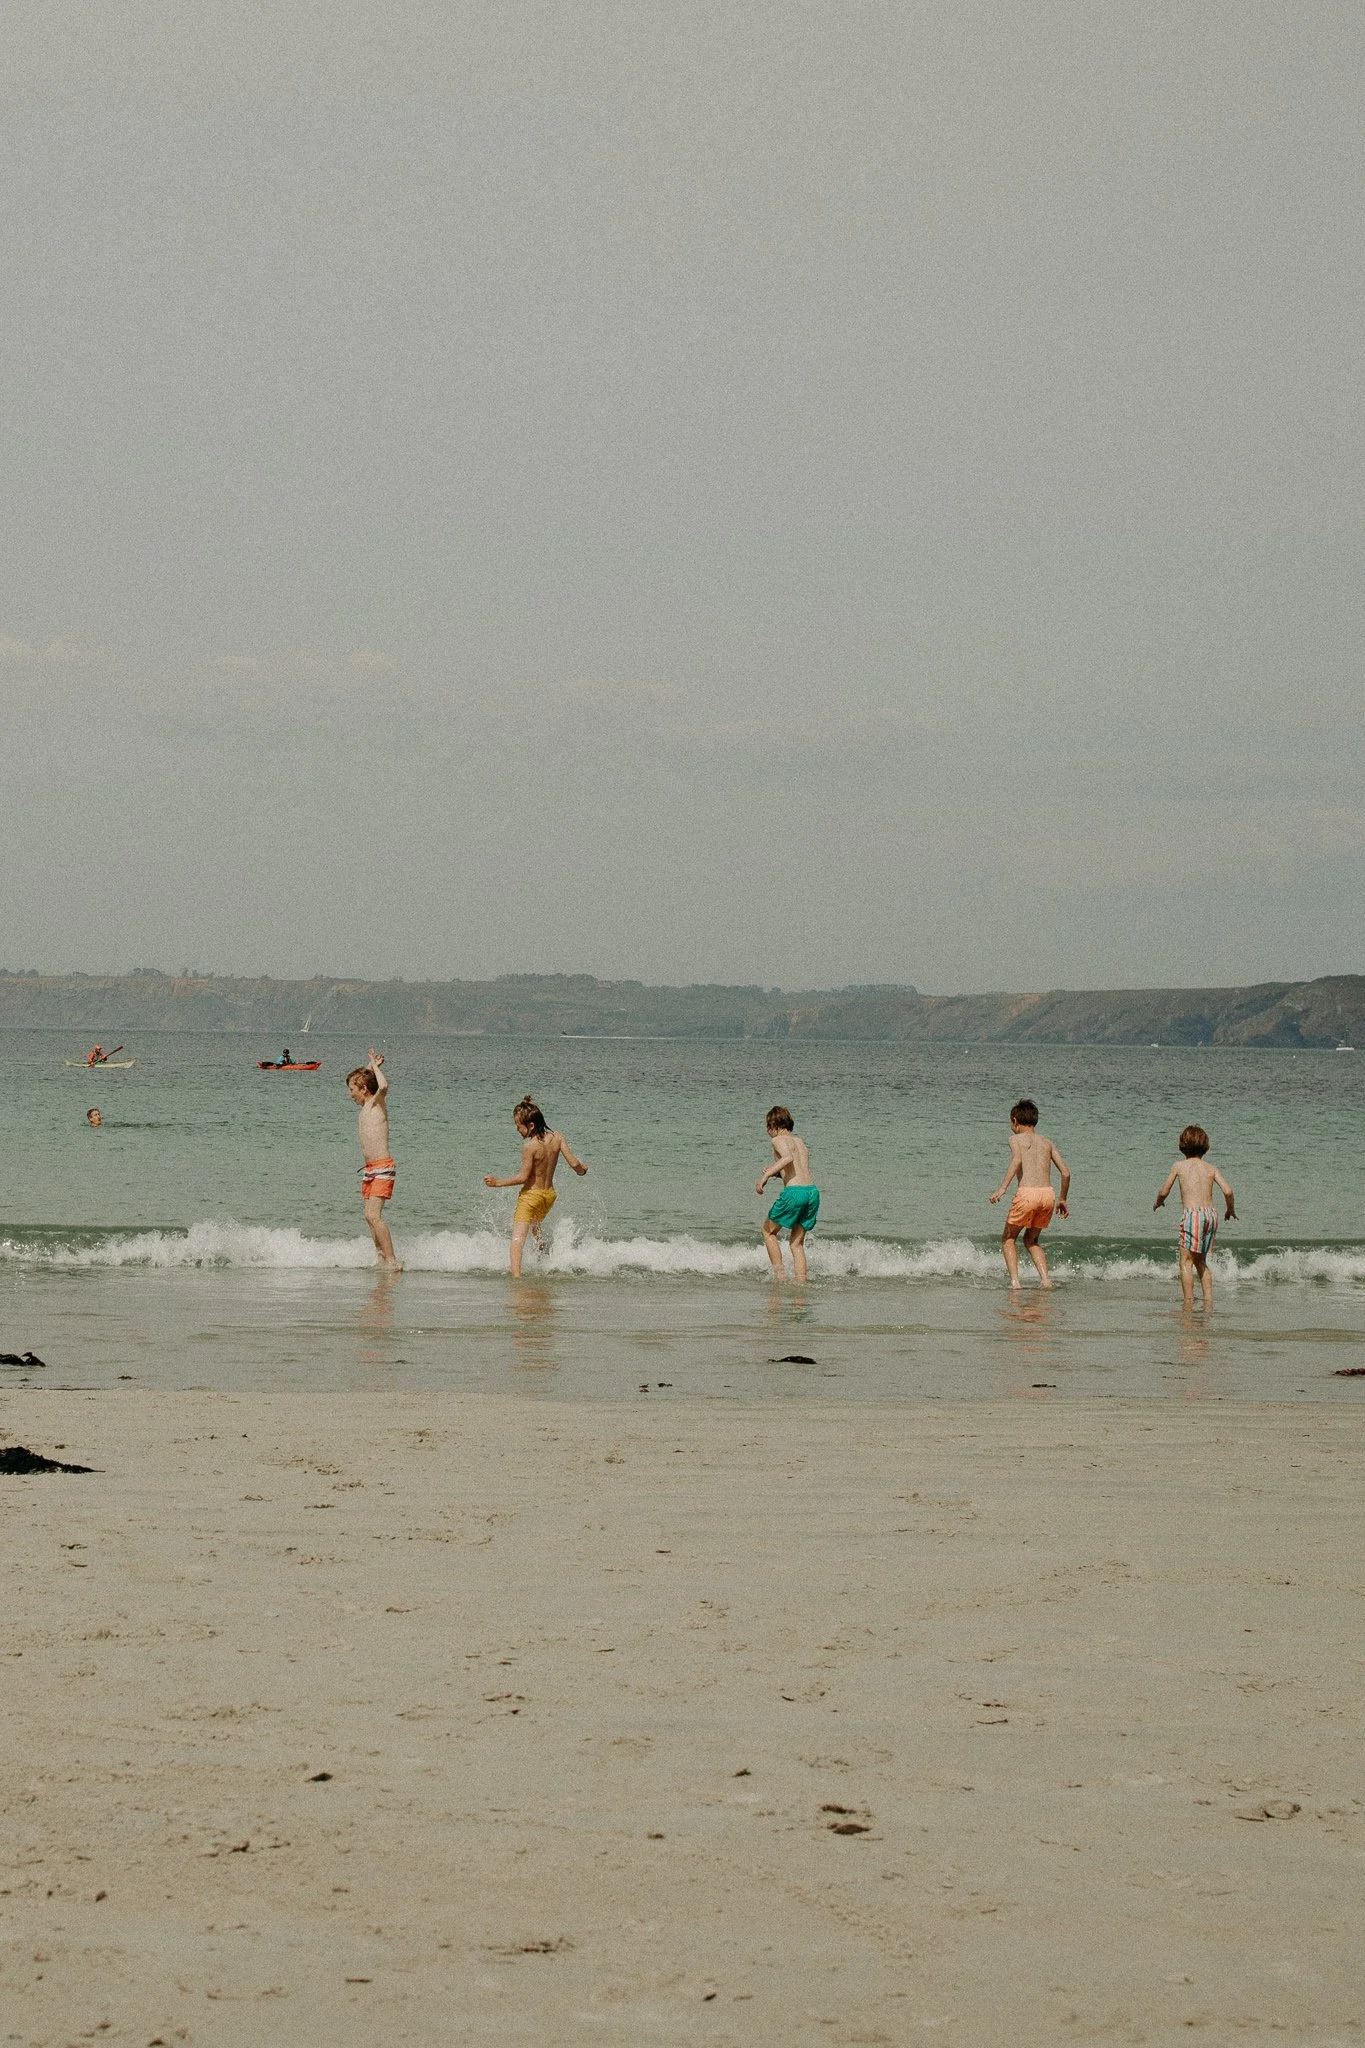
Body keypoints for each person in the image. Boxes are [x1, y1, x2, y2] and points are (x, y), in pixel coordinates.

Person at [483, 1095, 587, 1276]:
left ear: (531, 1125)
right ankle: (541, 1249)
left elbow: (524, 1177)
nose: (516, 1129)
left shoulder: (529, 1146)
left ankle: (516, 1274)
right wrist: (583, 1169)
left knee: (518, 1237)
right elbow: (575, 1165)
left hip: (531, 1196)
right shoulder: (558, 1138)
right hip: (548, 1196)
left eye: (518, 1126)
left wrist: (498, 1182)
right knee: (534, 1225)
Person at [989, 1098, 1070, 1289]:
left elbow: (1017, 1160)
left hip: (1027, 1193)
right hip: (1047, 1195)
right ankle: (1045, 1280)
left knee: (1009, 1238)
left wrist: (1002, 1188)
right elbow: (1066, 1172)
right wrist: (1063, 1199)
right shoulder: (1047, 1142)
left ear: (1015, 1121)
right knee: (1031, 1240)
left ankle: (1015, 1283)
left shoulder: (1015, 1139)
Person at [1154, 1124, 1236, 1310]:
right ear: (1205, 1145)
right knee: (1201, 1261)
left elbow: (1164, 1190)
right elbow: (1228, 1191)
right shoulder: (1211, 1168)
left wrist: (1158, 1202)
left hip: (1193, 1215)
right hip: (1210, 1215)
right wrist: (1230, 1209)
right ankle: (1208, 1300)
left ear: (1182, 1145)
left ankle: (1189, 1301)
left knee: (1186, 1260)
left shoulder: (1179, 1166)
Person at [346, 1048, 400, 1271]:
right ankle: (380, 1259)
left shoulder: (377, 1102)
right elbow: (364, 1078)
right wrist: (369, 1066)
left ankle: (392, 1261)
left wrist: (375, 1067)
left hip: (383, 1168)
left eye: (352, 1090)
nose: (350, 1094)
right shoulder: (366, 1104)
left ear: (364, 1090)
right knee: (368, 1217)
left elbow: (383, 1085)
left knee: (373, 1215)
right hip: (369, 1170)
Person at [757, 1105, 819, 1282]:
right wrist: (777, 1172)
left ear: (773, 1125)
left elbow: (787, 1159)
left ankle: (780, 1276)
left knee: (768, 1232)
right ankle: (801, 1283)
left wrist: (766, 1176)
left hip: (795, 1193)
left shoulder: (777, 1140)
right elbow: (796, 1169)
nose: (767, 1131)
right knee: (796, 1243)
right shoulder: (800, 1142)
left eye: (767, 1127)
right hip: (811, 1192)